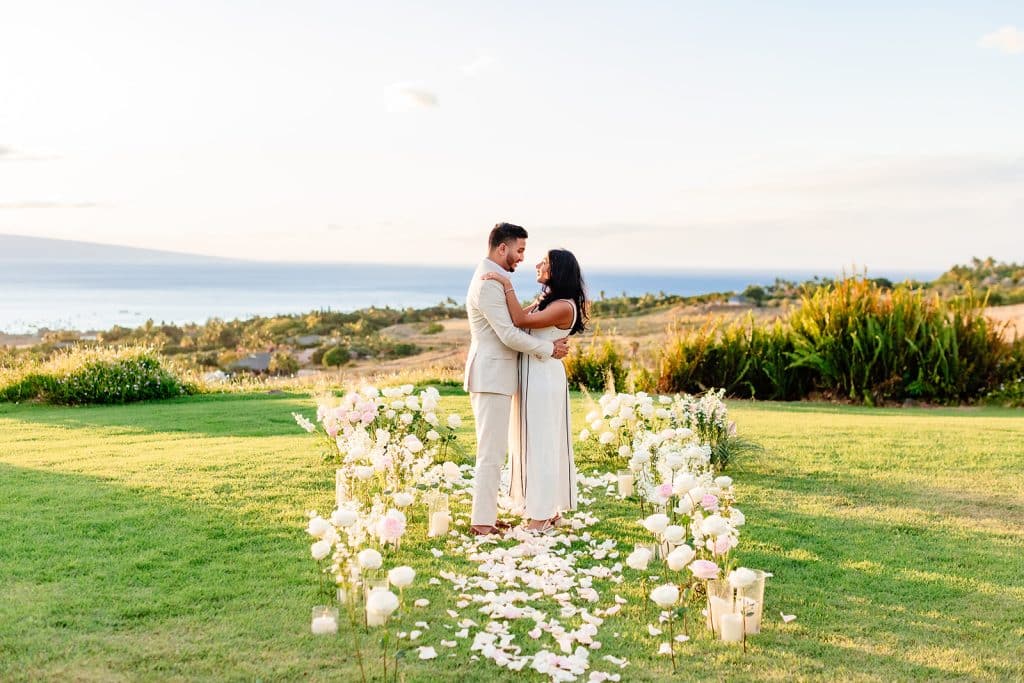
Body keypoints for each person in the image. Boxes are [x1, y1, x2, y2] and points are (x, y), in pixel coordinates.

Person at [464, 223, 569, 537]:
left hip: (496, 376)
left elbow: (515, 320)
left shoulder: (495, 279)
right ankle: (481, 523)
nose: (522, 257)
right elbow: (508, 334)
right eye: (519, 250)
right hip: (491, 376)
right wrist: (548, 348)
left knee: (495, 450)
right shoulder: (488, 283)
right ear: (501, 248)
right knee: (490, 452)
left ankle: (487, 516)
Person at [481, 248, 588, 533]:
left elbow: (519, 321)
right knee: (535, 441)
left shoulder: (564, 305)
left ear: (559, 270)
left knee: (541, 443)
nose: (537, 264)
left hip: (543, 379)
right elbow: (516, 317)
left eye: (545, 262)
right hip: (533, 376)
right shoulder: (547, 300)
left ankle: (541, 517)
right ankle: (546, 509)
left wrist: (505, 284)